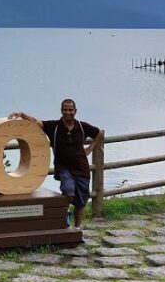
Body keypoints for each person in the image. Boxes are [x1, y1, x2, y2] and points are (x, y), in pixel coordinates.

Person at [9, 99, 103, 231]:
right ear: (61, 110)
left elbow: (100, 133)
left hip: (82, 169)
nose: (68, 112)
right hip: (64, 168)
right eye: (65, 109)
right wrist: (22, 114)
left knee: (81, 202)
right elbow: (37, 122)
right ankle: (66, 216)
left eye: (70, 110)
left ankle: (77, 228)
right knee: (68, 191)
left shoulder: (82, 126)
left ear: (75, 111)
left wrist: (90, 148)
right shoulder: (54, 126)